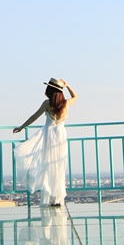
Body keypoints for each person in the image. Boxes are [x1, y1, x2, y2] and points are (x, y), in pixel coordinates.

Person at [13, 77, 77, 207]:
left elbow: (34, 117)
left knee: (48, 165)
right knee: (58, 165)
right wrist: (67, 85)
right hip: (60, 135)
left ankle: (51, 195)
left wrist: (21, 127)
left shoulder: (47, 103)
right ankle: (57, 197)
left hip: (49, 136)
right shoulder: (66, 103)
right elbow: (76, 96)